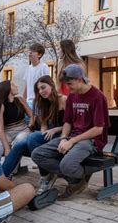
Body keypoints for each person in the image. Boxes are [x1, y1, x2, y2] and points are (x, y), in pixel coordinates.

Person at [32, 64, 109, 201]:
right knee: (38, 154)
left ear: (80, 79)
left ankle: (77, 177)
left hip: (92, 140)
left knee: (66, 165)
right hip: (73, 137)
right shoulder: (72, 97)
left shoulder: (97, 97)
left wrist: (72, 141)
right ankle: (77, 181)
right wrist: (63, 138)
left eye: (70, 83)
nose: (68, 87)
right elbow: (68, 122)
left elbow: (98, 129)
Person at [2, 75, 67, 193]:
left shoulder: (63, 100)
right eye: (39, 89)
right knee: (18, 146)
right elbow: (43, 124)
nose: (41, 91)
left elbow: (71, 125)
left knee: (32, 137)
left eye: (43, 87)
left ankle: (45, 176)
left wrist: (54, 130)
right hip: (49, 136)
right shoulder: (41, 103)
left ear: (51, 86)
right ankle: (1, 179)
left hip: (63, 136)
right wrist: (43, 135)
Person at [0, 80, 34, 158]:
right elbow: (0, 129)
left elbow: (32, 115)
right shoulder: (1, 106)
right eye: (13, 85)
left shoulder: (20, 99)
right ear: (8, 89)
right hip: (7, 132)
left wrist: (29, 127)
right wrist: (6, 148)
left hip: (22, 129)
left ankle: (12, 169)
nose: (16, 86)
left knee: (18, 141)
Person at [23, 43, 49, 111]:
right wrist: (23, 101)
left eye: (33, 51)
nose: (30, 53)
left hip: (39, 101)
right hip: (28, 102)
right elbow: (26, 86)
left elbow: (47, 84)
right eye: (30, 51)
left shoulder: (43, 66)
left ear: (39, 54)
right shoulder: (28, 68)